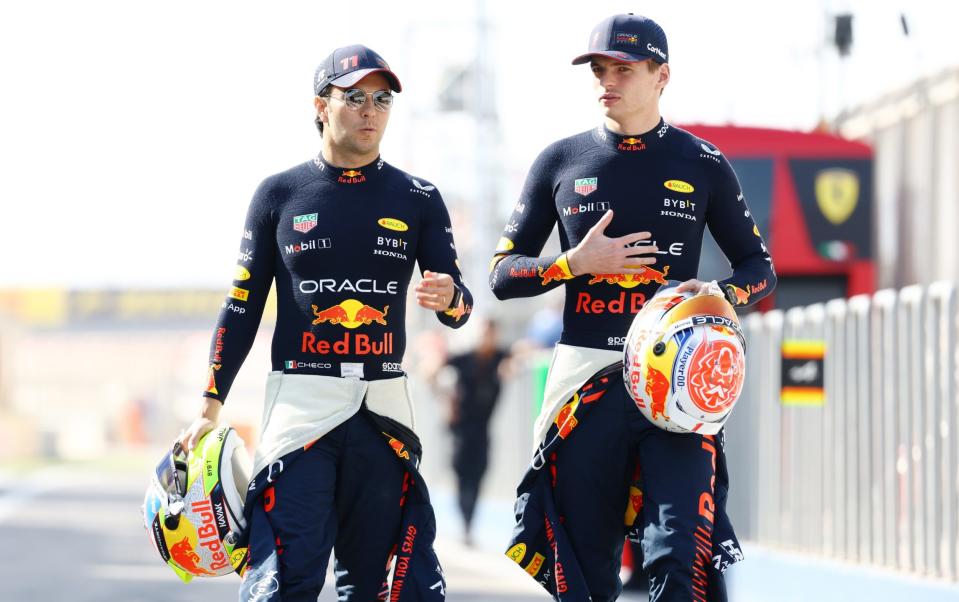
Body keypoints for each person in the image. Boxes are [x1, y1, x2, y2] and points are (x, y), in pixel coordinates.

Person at [489, 14, 775, 601]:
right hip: (585, 384)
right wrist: (573, 264)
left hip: (677, 387)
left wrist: (721, 294)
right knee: (585, 573)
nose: (606, 80)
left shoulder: (702, 162)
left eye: (622, 69)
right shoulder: (558, 161)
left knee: (681, 558)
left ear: (661, 75)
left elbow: (759, 268)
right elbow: (501, 275)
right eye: (598, 69)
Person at [179, 44, 472, 601]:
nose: (370, 111)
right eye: (355, 97)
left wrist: (449, 297)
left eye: (382, 100)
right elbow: (241, 303)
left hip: (384, 409)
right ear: (321, 105)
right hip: (301, 408)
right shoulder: (278, 194)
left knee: (380, 585)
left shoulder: (419, 197)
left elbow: (461, 308)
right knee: (286, 582)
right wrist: (209, 406)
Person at [443, 318, 509, 545]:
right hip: (461, 428)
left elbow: (523, 353)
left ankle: (469, 523)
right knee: (462, 475)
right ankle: (465, 523)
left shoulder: (500, 357)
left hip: (483, 428)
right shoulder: (463, 359)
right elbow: (436, 370)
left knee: (479, 475)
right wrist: (447, 401)